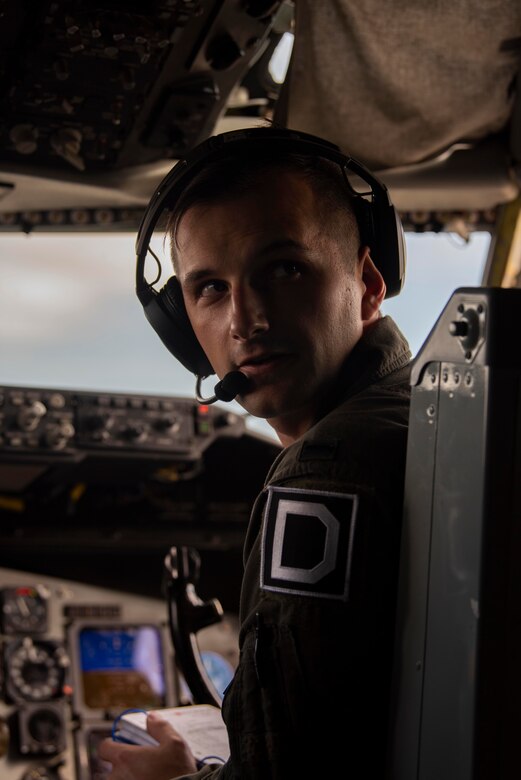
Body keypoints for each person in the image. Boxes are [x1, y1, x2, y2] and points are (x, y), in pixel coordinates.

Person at [99, 127, 411, 779]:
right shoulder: (417, 412)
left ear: (367, 282)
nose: (245, 320)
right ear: (182, 325)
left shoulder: (327, 474)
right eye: (210, 288)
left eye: (283, 268)